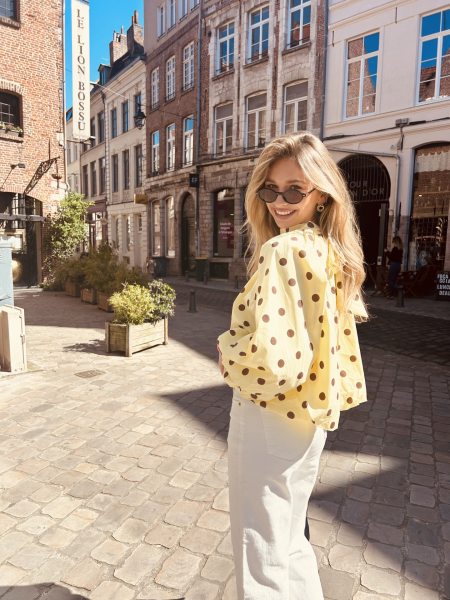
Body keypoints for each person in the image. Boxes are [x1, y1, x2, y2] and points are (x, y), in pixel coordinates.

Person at [217, 132, 368, 600]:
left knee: (260, 550)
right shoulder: (328, 248)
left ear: (321, 194)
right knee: (289, 540)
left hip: (269, 414)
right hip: (309, 418)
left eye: (294, 190)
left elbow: (272, 361)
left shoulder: (282, 250)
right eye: (270, 190)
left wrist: (227, 352)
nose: (280, 201)